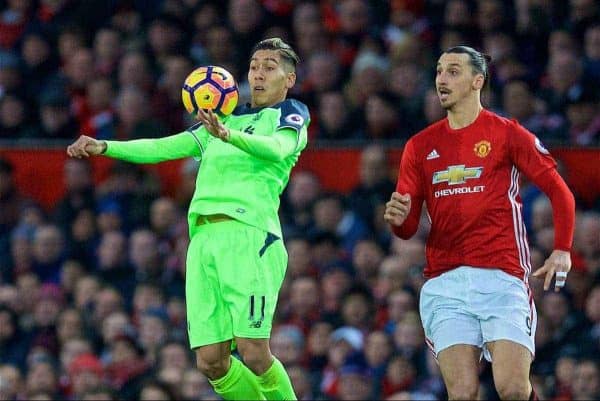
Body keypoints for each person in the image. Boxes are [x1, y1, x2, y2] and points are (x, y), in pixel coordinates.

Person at [67, 37, 309, 400]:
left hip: (250, 236)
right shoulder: (223, 118)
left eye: (270, 67)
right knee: (211, 362)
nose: (258, 74)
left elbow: (278, 149)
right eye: (254, 66)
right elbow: (164, 146)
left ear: (288, 79)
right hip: (202, 241)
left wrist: (229, 136)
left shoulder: (290, 114)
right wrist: (105, 147)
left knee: (254, 350)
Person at [383, 46, 575, 401]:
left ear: (477, 81)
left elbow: (559, 191)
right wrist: (398, 220)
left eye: (453, 71)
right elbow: (408, 227)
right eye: (439, 71)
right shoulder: (420, 146)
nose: (442, 79)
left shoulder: (507, 134)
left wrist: (562, 249)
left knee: (513, 388)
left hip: (501, 274)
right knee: (463, 392)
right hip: (445, 283)